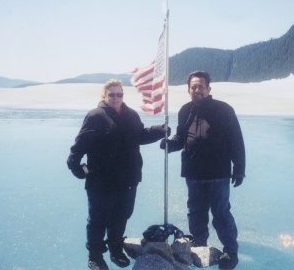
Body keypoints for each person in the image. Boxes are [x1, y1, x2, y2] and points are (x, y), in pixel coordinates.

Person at [67, 79, 170, 270]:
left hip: (128, 178)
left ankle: (115, 249)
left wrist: (160, 131)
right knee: (98, 218)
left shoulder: (130, 115)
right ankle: (95, 256)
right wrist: (76, 167)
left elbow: (140, 135)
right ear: (105, 96)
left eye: (119, 94)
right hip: (101, 180)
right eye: (112, 94)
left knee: (122, 215)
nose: (116, 98)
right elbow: (79, 146)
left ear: (123, 95)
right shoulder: (96, 116)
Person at [160, 71, 246, 270]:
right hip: (193, 172)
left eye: (201, 86)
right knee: (195, 211)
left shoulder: (224, 110)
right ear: (189, 89)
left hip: (218, 173)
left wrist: (239, 169)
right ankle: (199, 242)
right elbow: (181, 138)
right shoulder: (185, 110)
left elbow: (236, 140)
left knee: (221, 212)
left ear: (208, 88)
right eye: (193, 87)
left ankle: (230, 250)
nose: (197, 90)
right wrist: (169, 144)